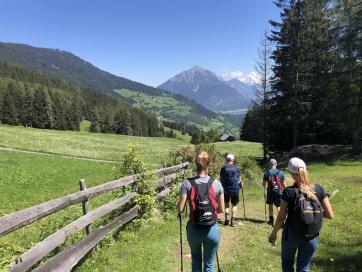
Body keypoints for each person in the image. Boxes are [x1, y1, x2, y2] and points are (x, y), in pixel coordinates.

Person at [268, 157, 334, 272]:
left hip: (291, 236)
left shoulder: (288, 192)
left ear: (292, 173)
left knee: (287, 264)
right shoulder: (318, 189)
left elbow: (281, 217)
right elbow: (330, 215)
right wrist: (313, 215)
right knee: (304, 267)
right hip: (311, 237)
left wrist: (274, 233)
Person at [177, 151, 225, 272]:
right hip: (212, 230)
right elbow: (221, 210)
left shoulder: (187, 183)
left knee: (196, 259)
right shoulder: (217, 183)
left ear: (195, 164)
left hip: (194, 230)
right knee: (209, 264)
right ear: (209, 164)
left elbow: (180, 209)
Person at [219, 154, 242, 227]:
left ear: (226, 160)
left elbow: (221, 179)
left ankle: (226, 219)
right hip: (235, 189)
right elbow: (239, 180)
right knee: (234, 204)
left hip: (225, 189)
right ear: (233, 160)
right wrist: (240, 185)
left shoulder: (223, 168)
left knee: (226, 203)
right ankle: (233, 220)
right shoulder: (237, 168)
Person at [262, 159, 286, 226]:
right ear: (276, 164)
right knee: (279, 206)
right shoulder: (281, 173)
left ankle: (271, 220)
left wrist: (264, 183)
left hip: (270, 192)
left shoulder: (266, 173)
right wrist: (286, 190)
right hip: (279, 192)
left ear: (270, 164)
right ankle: (281, 222)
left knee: (270, 205)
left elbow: (263, 184)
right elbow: (284, 184)